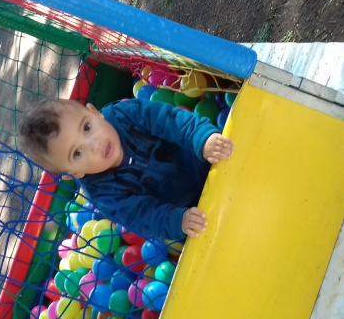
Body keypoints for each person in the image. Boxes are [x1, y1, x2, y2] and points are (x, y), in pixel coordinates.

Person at [18, 97, 234, 240]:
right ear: (74, 173)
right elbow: (143, 217)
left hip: (208, 159)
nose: (94, 144)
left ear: (95, 112)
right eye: (77, 153)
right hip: (194, 209)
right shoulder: (103, 195)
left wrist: (201, 137)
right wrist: (178, 221)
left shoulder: (125, 114)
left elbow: (169, 119)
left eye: (87, 127)